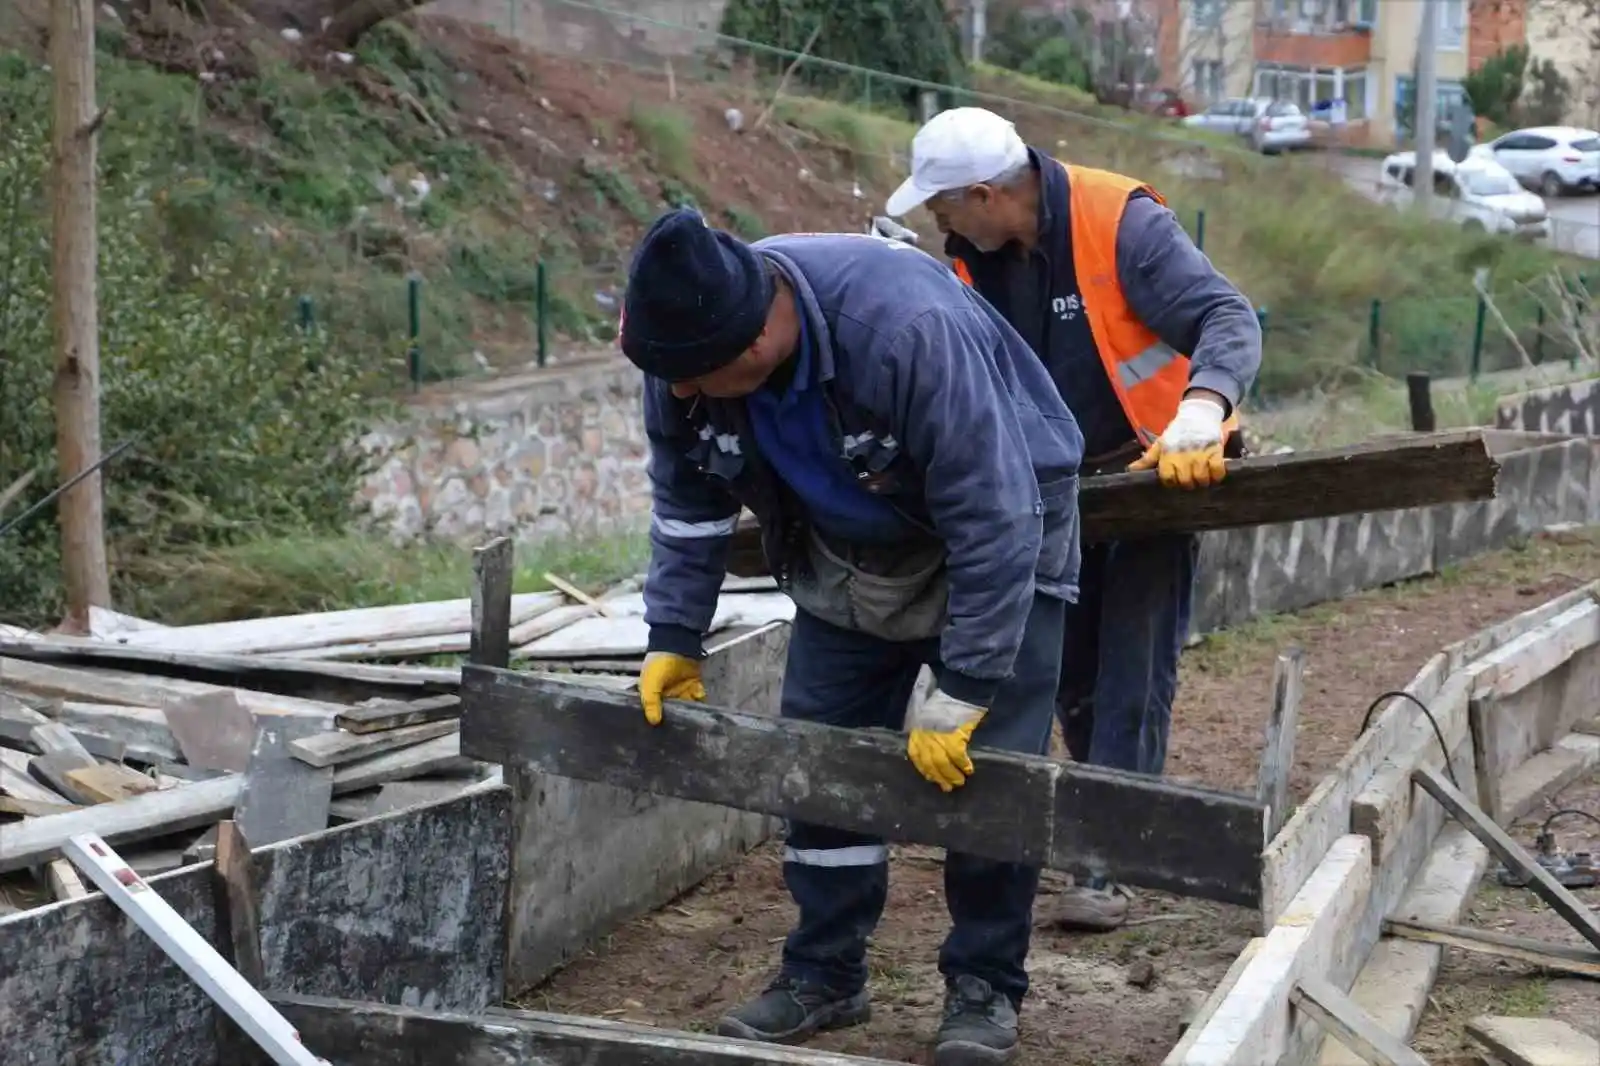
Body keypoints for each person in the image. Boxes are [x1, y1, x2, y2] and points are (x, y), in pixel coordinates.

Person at [621, 206, 1085, 1066]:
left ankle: (983, 985)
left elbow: (994, 515)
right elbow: (688, 507)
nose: (679, 395)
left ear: (758, 336)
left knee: (990, 775)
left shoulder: (908, 329)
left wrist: (970, 684)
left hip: (1000, 528)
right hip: (846, 551)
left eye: (694, 379)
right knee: (820, 762)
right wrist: (672, 634)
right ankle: (825, 974)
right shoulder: (680, 347)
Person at [884, 107, 1263, 931]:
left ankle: (1106, 858)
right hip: (1045, 496)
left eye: (943, 206)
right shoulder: (967, 263)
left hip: (1154, 469)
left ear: (984, 194)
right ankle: (1106, 826)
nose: (936, 221)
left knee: (1133, 663)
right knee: (1072, 671)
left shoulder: (1118, 220)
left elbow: (1226, 318)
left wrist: (1204, 411)